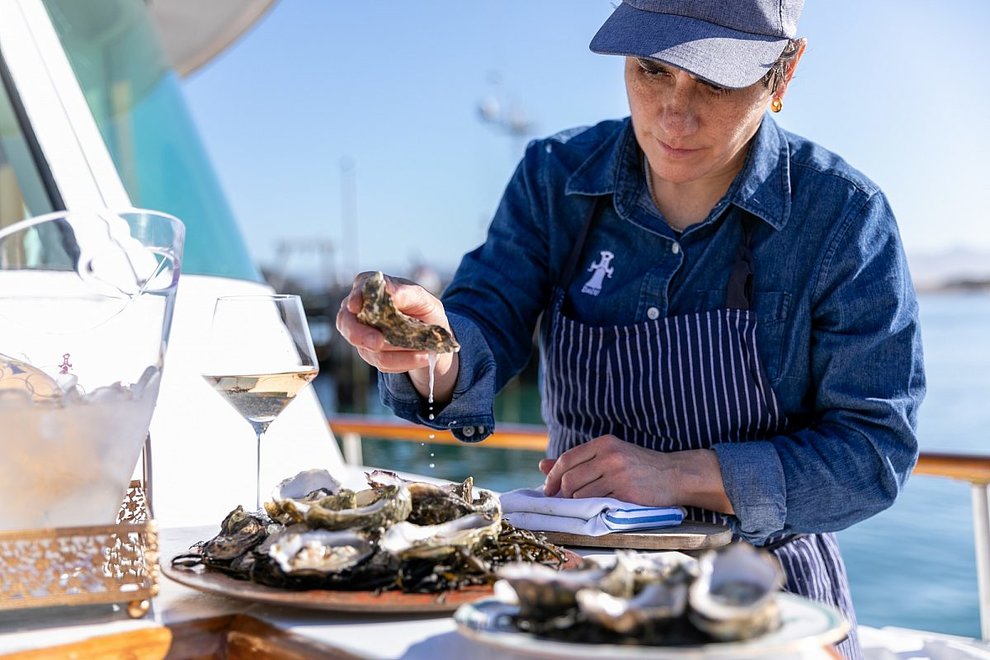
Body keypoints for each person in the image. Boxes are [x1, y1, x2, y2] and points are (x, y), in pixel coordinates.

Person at [336, 1, 925, 656]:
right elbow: (480, 325)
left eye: (714, 82)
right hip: (572, 604)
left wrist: (680, 475)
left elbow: (874, 454)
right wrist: (428, 347)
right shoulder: (552, 179)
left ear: (782, 76)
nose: (675, 112)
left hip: (767, 606)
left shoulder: (844, 216)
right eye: (651, 69)